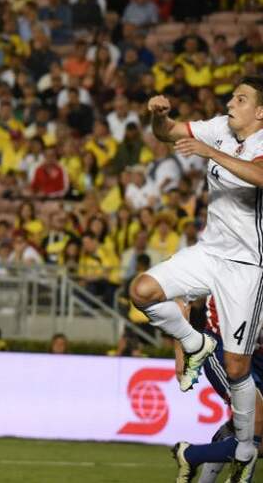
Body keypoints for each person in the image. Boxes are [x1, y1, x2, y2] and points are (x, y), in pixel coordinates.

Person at [130, 77, 263, 483]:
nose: (230, 103)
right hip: (210, 252)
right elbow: (168, 134)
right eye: (232, 96)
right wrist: (160, 116)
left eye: (241, 99)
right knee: (142, 291)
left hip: (246, 265)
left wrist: (207, 152)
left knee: (238, 366)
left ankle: (241, 450)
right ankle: (195, 342)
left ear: (260, 112)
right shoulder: (219, 127)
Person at [172, 296, 263, 483]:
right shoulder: (226, 267)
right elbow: (182, 300)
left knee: (255, 437)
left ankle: (191, 455)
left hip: (257, 355)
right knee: (255, 423)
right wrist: (180, 356)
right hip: (224, 349)